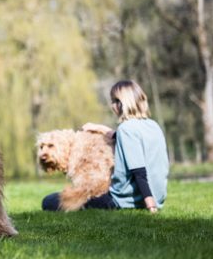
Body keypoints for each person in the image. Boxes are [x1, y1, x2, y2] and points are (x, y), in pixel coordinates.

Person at [42, 80, 169, 212]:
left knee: (49, 201)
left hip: (125, 200)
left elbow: (139, 171)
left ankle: (146, 202)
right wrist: (100, 128)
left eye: (114, 101)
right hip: (158, 197)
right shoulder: (153, 125)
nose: (112, 105)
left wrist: (150, 204)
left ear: (123, 104)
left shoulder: (126, 129)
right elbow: (126, 139)